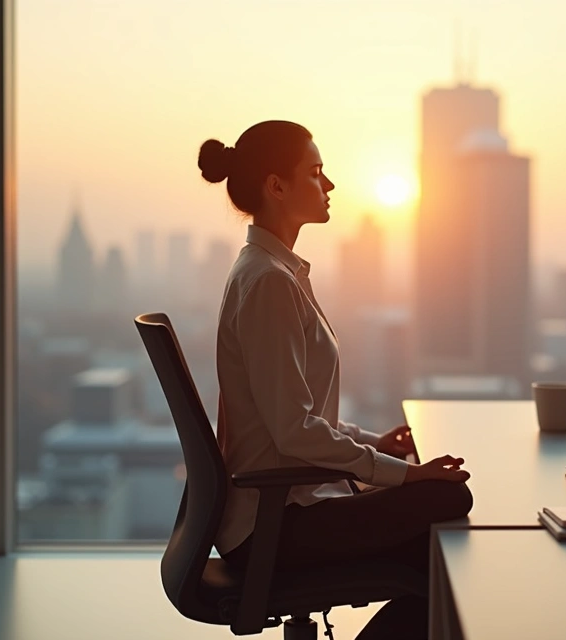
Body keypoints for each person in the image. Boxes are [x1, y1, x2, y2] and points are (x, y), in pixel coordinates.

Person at [199, 120, 473, 638]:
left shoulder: (272, 273)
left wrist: (375, 445)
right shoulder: (268, 284)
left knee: (439, 554)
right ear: (276, 186)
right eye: (316, 172)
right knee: (447, 507)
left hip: (284, 511)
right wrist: (405, 475)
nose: (329, 186)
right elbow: (294, 431)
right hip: (271, 528)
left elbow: (296, 415)